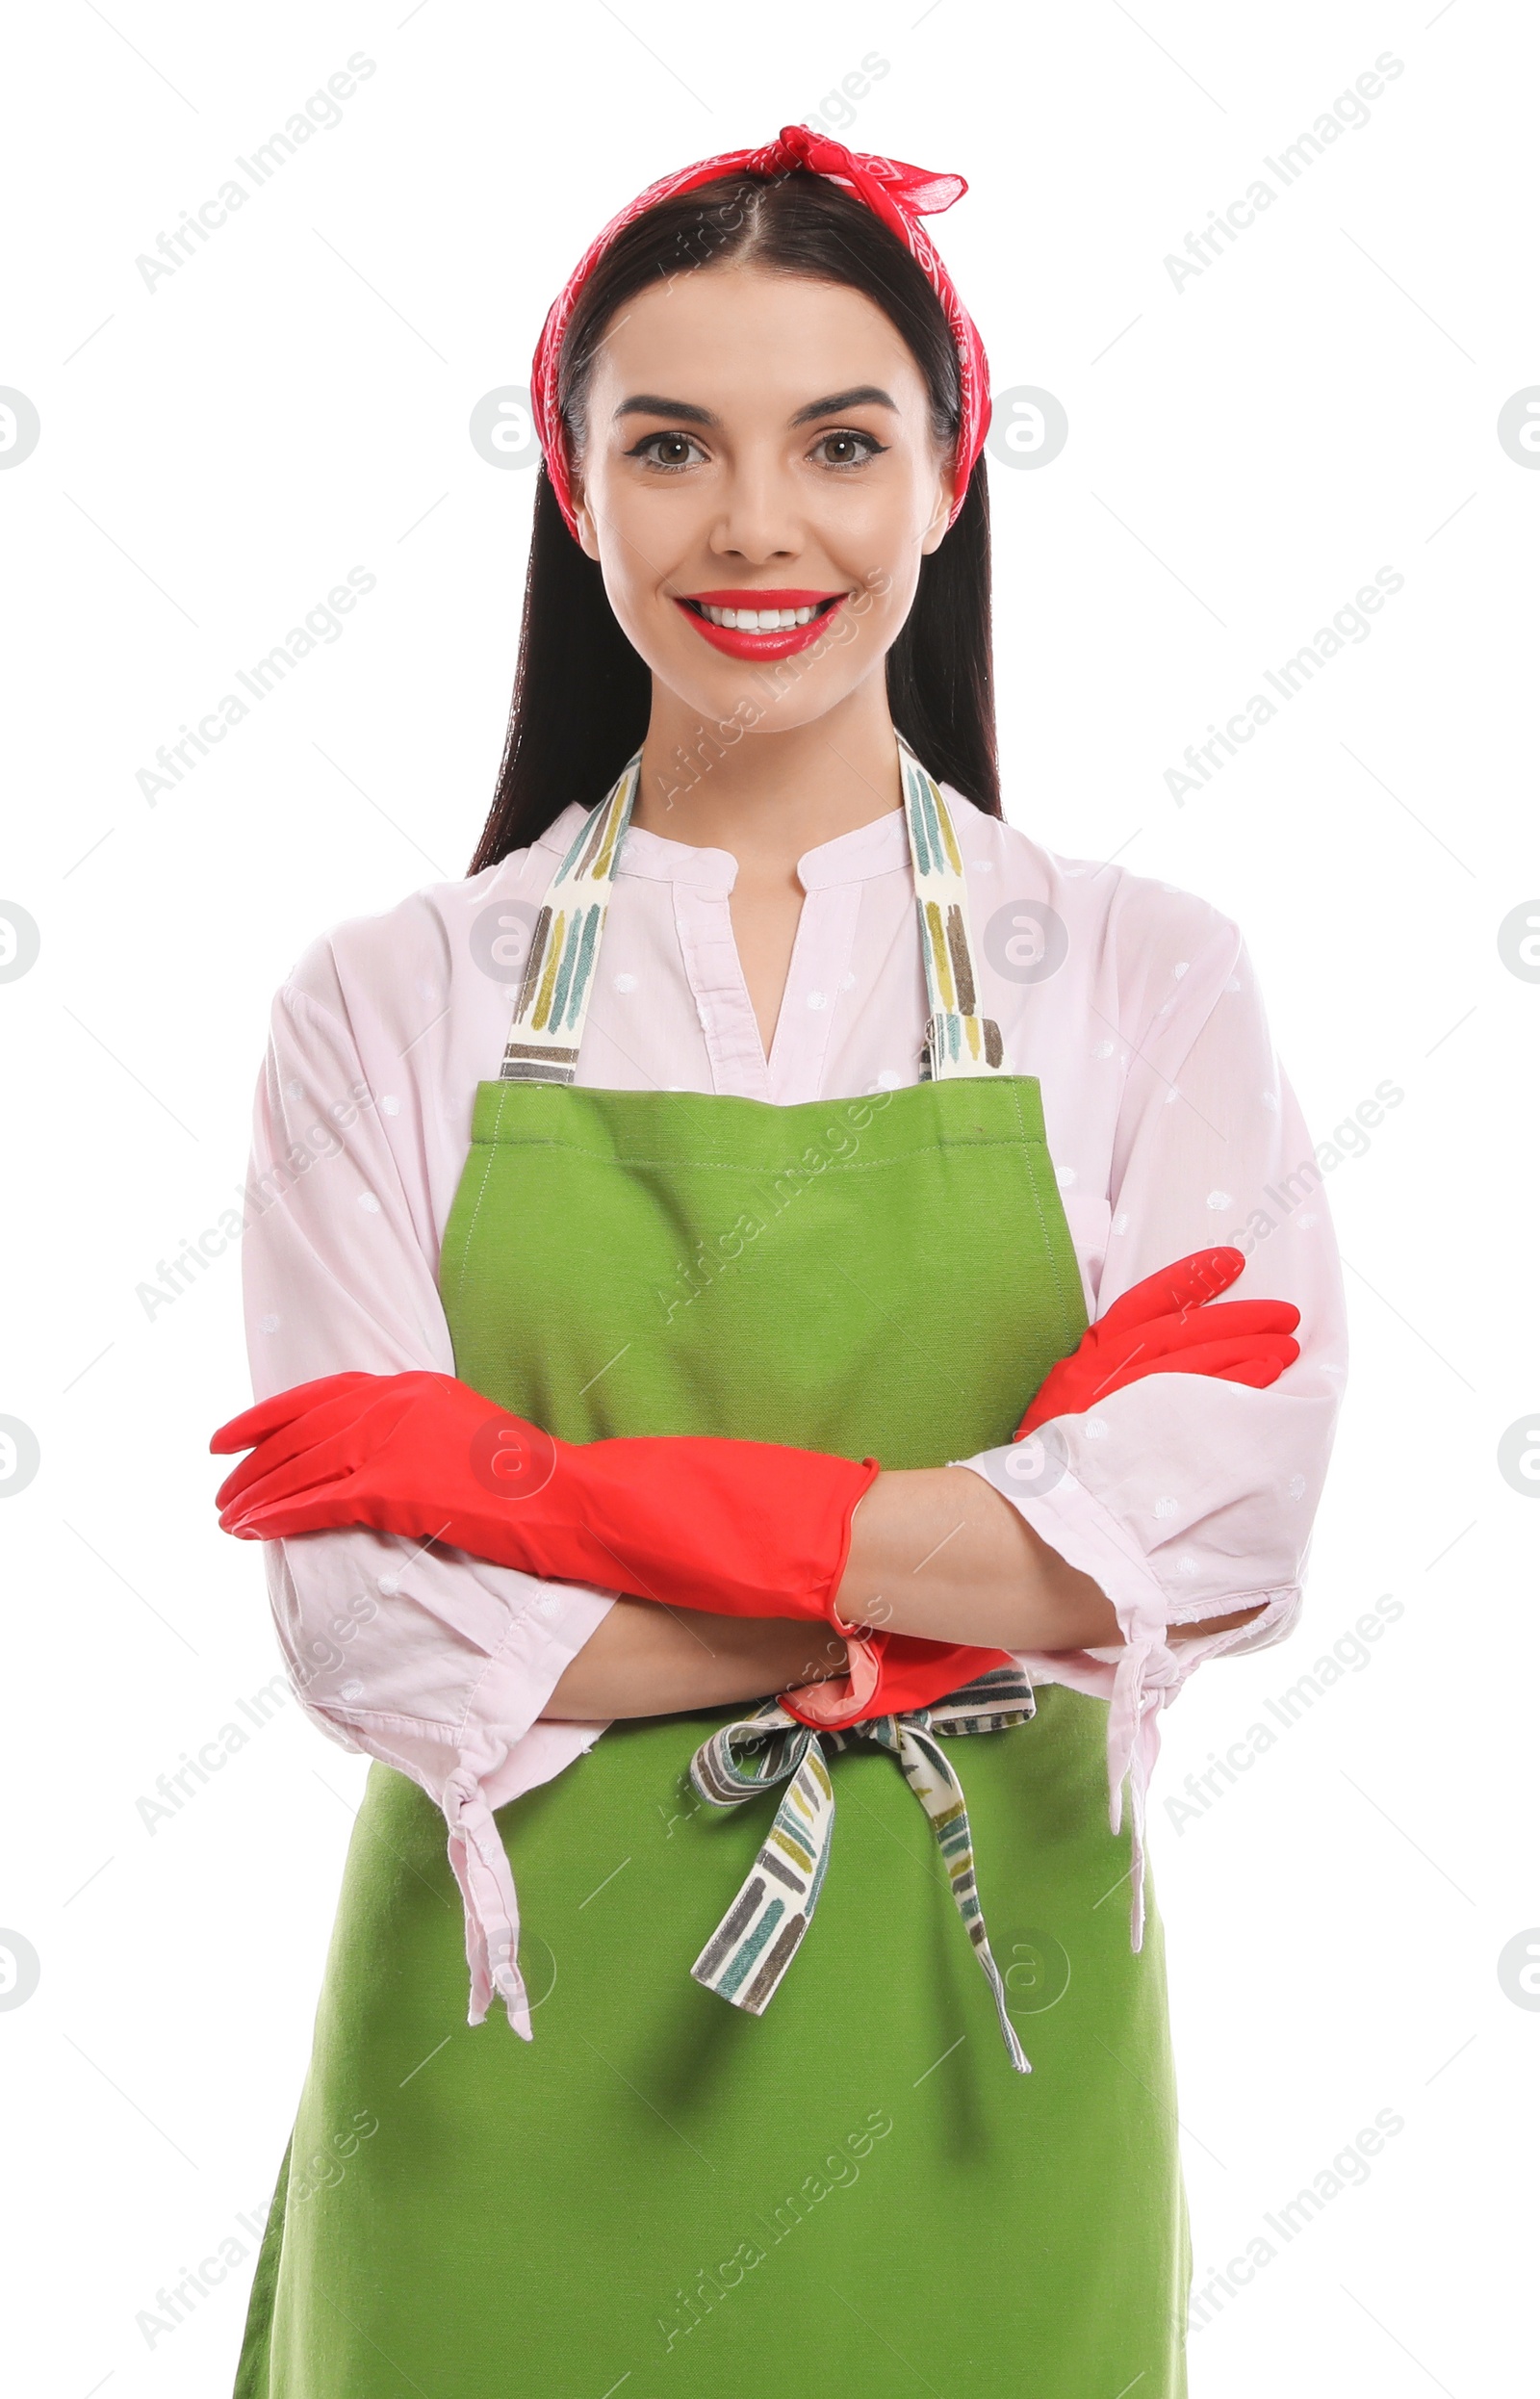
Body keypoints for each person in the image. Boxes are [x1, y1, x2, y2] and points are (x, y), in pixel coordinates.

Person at [213, 126, 1347, 2399]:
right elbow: (372, 1619)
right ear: (571, 483)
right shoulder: (391, 999)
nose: (757, 524)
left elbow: (1214, 1509)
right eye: (670, 444)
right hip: (497, 2090)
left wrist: (539, 1493)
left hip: (975, 2044)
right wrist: (966, 1571)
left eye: (839, 441)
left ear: (944, 476)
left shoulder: (1134, 974)